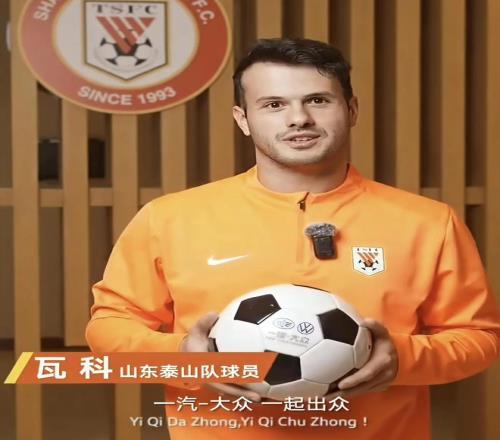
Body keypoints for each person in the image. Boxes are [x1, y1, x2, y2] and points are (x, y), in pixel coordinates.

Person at [86, 38, 500, 439]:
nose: (299, 118)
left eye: (318, 100)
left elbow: (479, 338)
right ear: (243, 119)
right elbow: (109, 327)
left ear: (352, 109)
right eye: (274, 104)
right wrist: (183, 358)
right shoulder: (170, 218)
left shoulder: (428, 222)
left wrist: (402, 359)